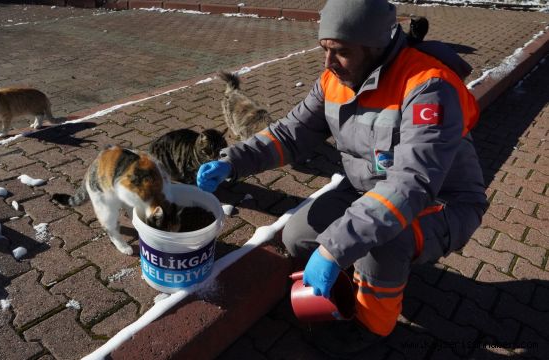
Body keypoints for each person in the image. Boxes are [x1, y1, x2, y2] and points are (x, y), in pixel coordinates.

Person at [197, 0, 488, 356]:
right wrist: (233, 162)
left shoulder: (428, 86)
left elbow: (412, 184)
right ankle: (363, 274)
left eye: (341, 52)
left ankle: (371, 327)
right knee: (298, 236)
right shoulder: (334, 80)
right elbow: (291, 134)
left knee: (384, 240)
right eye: (325, 50)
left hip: (440, 201)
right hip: (368, 188)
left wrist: (335, 248)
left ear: (376, 46)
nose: (329, 63)